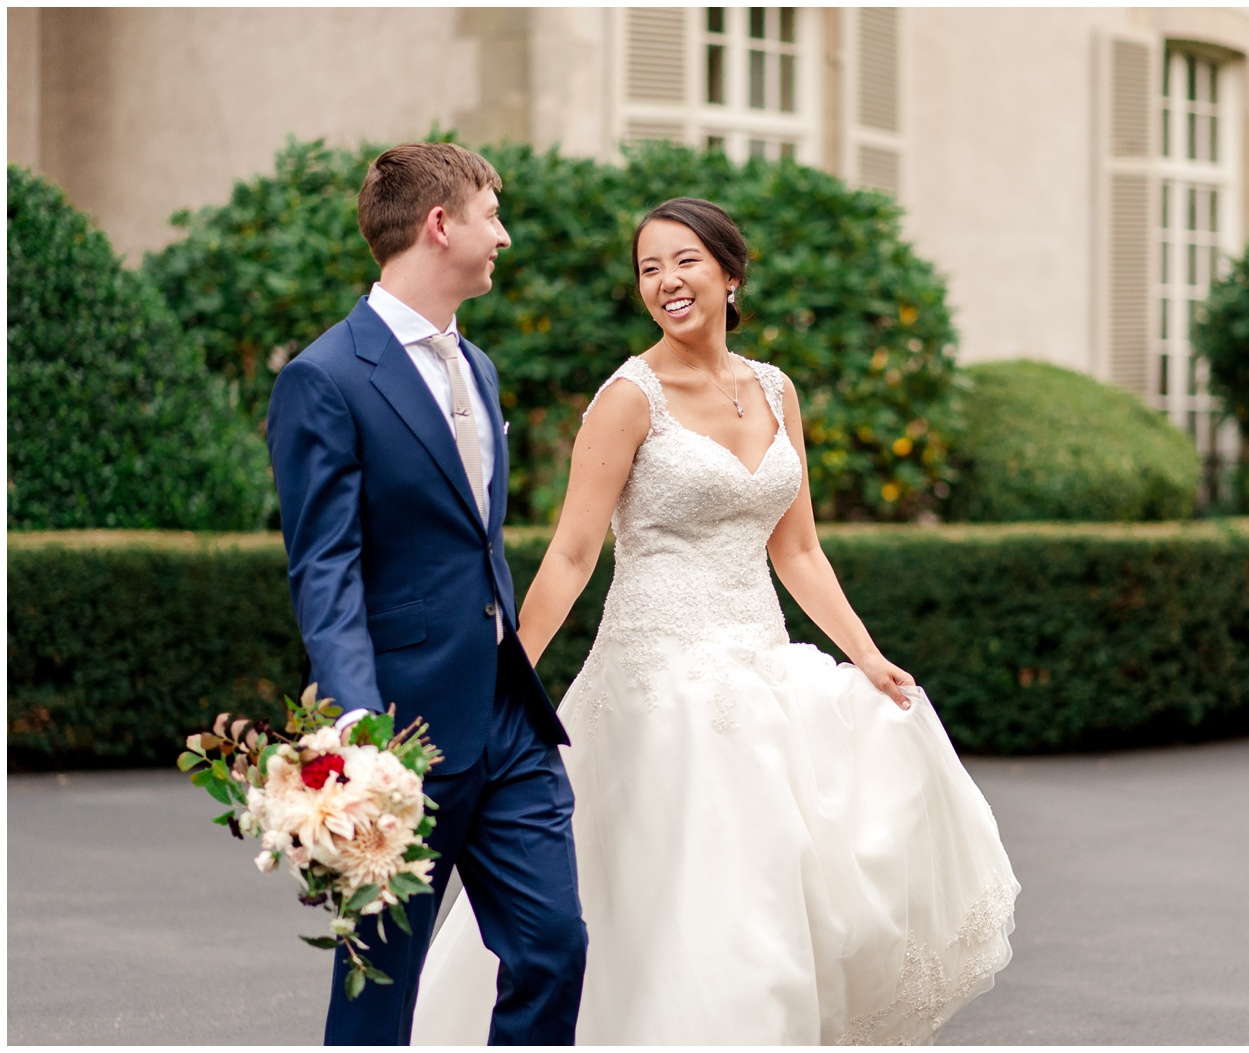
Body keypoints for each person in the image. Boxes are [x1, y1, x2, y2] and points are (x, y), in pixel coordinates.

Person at [412, 198, 1017, 1045]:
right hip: (659, 689)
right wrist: (508, 676)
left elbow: (797, 550)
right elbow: (573, 555)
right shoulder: (629, 397)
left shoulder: (775, 389)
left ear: (731, 274)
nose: (666, 281)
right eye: (649, 268)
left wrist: (868, 655)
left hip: (766, 672)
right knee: (679, 904)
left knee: (776, 899)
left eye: (685, 260)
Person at [266, 142, 586, 1045]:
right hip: (402, 735)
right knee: (379, 994)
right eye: (492, 214)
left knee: (552, 946)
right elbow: (323, 569)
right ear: (440, 224)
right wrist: (362, 743)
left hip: (508, 717)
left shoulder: (476, 367)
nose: (505, 236)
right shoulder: (324, 378)